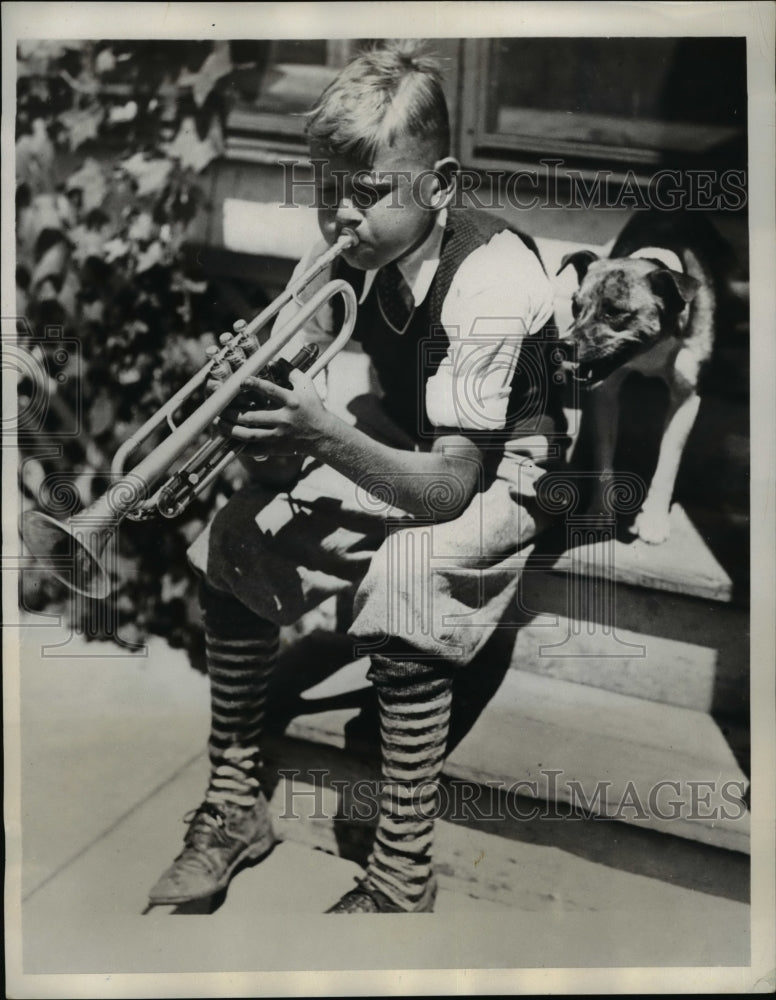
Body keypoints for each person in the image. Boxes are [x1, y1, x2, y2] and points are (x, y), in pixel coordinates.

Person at [148, 40, 567, 914]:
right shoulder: (343, 253)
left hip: (505, 467)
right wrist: (256, 419)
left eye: (369, 193)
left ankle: (400, 874)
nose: (341, 216)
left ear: (442, 184)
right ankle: (236, 801)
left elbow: (450, 489)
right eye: (326, 190)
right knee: (234, 533)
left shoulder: (492, 274)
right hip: (401, 429)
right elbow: (287, 452)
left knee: (407, 575)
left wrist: (323, 435)